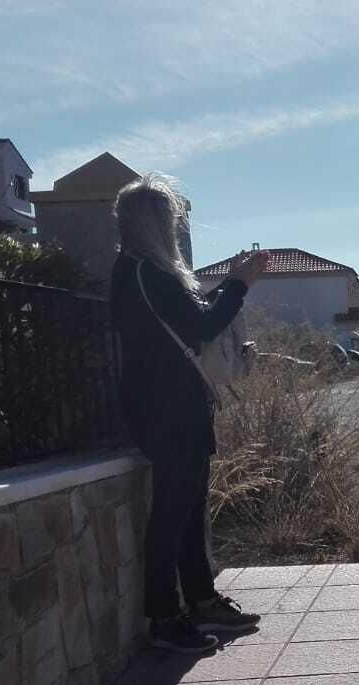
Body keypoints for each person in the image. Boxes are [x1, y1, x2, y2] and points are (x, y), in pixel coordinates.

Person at [110, 173, 268, 653]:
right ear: (160, 224)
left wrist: (228, 284)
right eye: (173, 219)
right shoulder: (147, 272)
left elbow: (187, 315)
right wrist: (239, 285)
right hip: (168, 409)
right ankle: (165, 617)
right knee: (173, 513)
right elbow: (201, 324)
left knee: (188, 510)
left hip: (172, 406)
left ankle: (200, 602)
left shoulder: (137, 271)